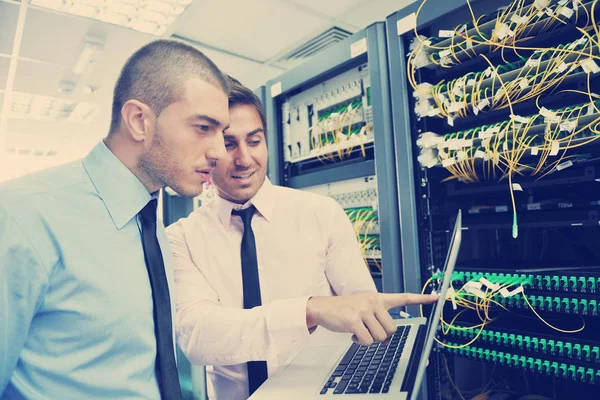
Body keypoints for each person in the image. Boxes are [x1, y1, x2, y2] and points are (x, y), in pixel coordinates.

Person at [166, 79, 438, 400]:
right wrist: (308, 311)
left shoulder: (321, 213)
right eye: (228, 144)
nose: (244, 159)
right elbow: (198, 337)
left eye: (254, 141)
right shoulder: (181, 238)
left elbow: (362, 309)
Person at [0, 39, 230, 399]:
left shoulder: (150, 226)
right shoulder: (20, 218)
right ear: (139, 121)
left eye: (221, 133)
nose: (219, 152)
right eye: (203, 127)